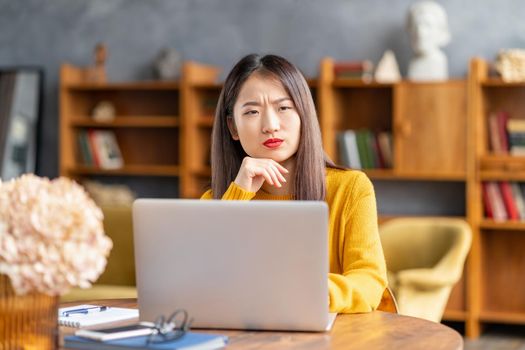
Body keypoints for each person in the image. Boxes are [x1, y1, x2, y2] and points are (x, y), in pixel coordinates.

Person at [201, 54, 387, 313]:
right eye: (252, 111)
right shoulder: (215, 203)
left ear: (304, 114)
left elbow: (370, 282)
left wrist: (308, 293)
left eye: (284, 108)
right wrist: (239, 195)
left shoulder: (351, 188)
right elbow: (201, 281)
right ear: (233, 127)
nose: (271, 126)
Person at [406, 0, 450, 81]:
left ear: (440, 30)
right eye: (416, 26)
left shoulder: (439, 62)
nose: (420, 33)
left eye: (427, 26)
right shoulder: (413, 63)